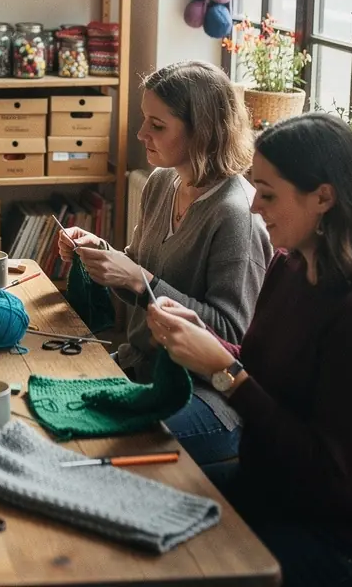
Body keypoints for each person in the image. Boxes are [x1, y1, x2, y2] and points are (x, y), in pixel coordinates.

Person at [147, 113, 352, 586]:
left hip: (331, 536)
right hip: (265, 491)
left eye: (268, 195)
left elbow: (326, 471)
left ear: (323, 198)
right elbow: (261, 369)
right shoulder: (288, 265)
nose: (253, 208)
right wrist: (207, 342)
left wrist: (225, 372)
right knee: (136, 510)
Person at [58, 60, 271, 465]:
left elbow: (232, 336)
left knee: (95, 442)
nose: (141, 134)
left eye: (158, 125)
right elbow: (141, 269)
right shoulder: (162, 181)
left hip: (210, 395)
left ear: (202, 132)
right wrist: (100, 253)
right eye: (144, 120)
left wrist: (141, 280)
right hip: (146, 368)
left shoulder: (235, 214)